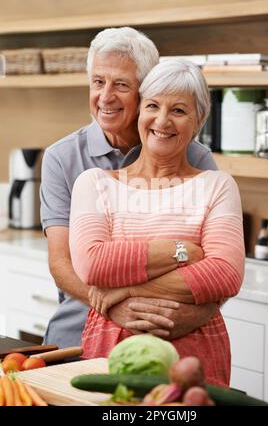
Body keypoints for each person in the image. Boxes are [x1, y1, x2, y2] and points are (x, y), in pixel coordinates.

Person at [69, 58, 245, 387]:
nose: (162, 120)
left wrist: (124, 290)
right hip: (112, 350)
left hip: (196, 358)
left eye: (178, 110)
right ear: (140, 112)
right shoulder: (94, 183)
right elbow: (92, 265)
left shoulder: (217, 186)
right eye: (153, 105)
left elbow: (226, 273)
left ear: (199, 120)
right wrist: (180, 252)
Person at [40, 27, 218, 349]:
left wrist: (190, 318)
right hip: (77, 334)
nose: (105, 97)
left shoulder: (194, 157)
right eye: (98, 82)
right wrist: (114, 305)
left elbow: (218, 267)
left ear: (145, 90)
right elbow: (61, 264)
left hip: (167, 336)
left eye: (121, 84)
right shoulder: (62, 158)